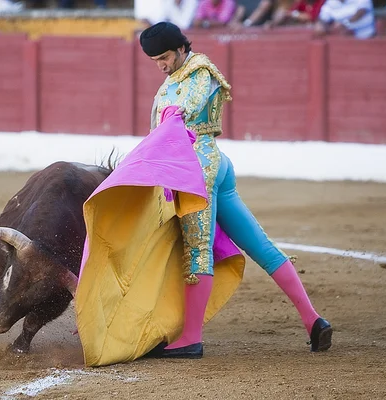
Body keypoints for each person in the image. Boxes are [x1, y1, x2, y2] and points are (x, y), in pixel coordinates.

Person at [139, 22, 332, 358]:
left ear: (182, 48)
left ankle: (191, 339)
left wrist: (173, 114)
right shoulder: (167, 84)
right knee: (259, 244)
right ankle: (313, 320)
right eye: (156, 60)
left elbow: (192, 105)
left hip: (199, 168)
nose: (162, 64)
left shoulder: (201, 70)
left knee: (198, 250)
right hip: (206, 166)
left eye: (166, 56)